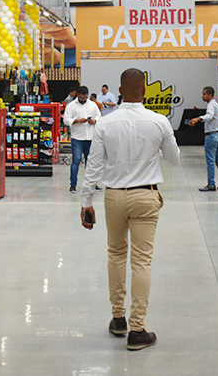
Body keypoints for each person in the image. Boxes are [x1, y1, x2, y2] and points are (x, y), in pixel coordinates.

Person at [80, 68, 179, 351]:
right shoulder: (159, 121)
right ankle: (138, 330)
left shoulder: (105, 123)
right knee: (142, 260)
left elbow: (94, 166)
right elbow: (173, 159)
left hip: (113, 197)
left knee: (115, 254)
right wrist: (153, 150)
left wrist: (86, 202)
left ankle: (118, 318)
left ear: (120, 91)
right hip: (146, 197)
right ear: (144, 91)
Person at [187, 87, 218, 191]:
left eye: (204, 94)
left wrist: (197, 119)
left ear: (210, 95)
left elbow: (209, 116)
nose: (202, 96)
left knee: (210, 161)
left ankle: (211, 184)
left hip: (212, 136)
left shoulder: (211, 105)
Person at [63, 86, 100, 193]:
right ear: (77, 95)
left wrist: (94, 121)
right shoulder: (71, 106)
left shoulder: (92, 105)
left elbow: (99, 116)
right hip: (77, 137)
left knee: (91, 162)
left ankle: (93, 184)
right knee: (76, 160)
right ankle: (73, 184)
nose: (83, 100)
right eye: (81, 98)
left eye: (85, 98)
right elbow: (66, 119)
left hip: (91, 137)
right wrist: (77, 121)